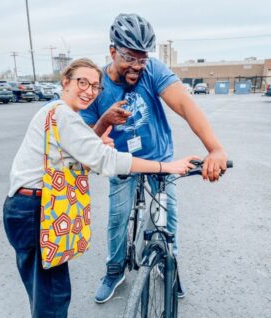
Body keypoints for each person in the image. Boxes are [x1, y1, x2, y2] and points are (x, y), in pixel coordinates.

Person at [3, 58, 199, 318]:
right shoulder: (62, 114)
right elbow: (107, 161)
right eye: (82, 82)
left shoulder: (56, 114)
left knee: (44, 292)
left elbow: (78, 155)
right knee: (53, 297)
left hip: (27, 209)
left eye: (95, 86)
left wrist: (97, 139)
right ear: (65, 82)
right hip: (35, 212)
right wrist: (167, 167)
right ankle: (114, 270)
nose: (89, 91)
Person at [79, 13, 228, 304]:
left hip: (160, 158)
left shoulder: (153, 71)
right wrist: (98, 134)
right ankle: (114, 269)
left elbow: (185, 104)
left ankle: (168, 263)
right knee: (118, 216)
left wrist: (215, 148)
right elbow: (83, 131)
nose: (136, 67)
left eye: (142, 59)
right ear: (112, 52)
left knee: (168, 215)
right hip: (122, 161)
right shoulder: (97, 85)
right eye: (129, 58)